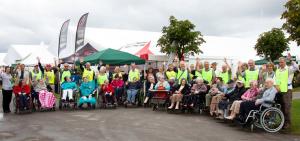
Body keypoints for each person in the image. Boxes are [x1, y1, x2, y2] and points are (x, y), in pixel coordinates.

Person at [274, 57, 298, 129]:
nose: (280, 63)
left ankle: (287, 123)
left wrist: (291, 60)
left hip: (287, 90)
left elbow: (296, 67)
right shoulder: (278, 70)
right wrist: (276, 85)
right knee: (280, 107)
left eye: (282, 62)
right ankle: (282, 122)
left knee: (287, 107)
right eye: (279, 62)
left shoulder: (289, 69)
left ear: (285, 62)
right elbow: (275, 79)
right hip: (279, 91)